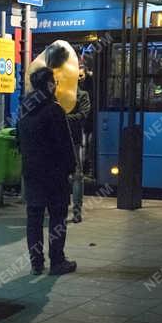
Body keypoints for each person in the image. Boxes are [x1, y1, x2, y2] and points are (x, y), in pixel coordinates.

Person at [19, 67, 77, 276]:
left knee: (34, 218)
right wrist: (71, 167)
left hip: (32, 172)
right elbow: (64, 143)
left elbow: (20, 141)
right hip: (54, 173)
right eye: (54, 82)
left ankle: (36, 263)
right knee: (57, 216)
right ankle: (57, 261)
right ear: (49, 84)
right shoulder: (54, 110)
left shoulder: (24, 109)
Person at [66, 65, 92, 223]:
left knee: (64, 175)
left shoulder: (57, 94)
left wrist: (62, 118)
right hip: (74, 139)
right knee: (77, 176)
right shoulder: (82, 95)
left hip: (62, 139)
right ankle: (76, 211)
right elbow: (83, 115)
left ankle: (62, 207)